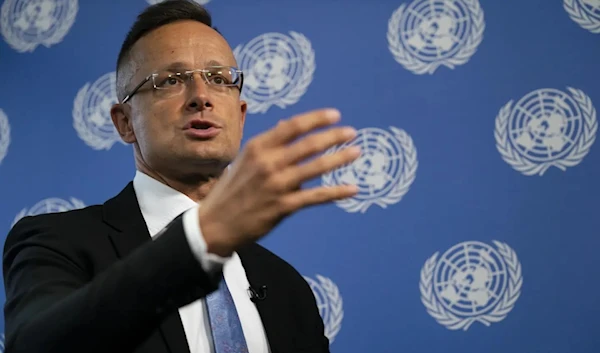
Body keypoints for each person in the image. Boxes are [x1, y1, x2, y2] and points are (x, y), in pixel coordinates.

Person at [2, 0, 360, 352]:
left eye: (219, 79)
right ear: (124, 122)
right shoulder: (56, 242)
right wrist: (201, 239)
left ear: (241, 115)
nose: (201, 96)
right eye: (171, 80)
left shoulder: (286, 287)